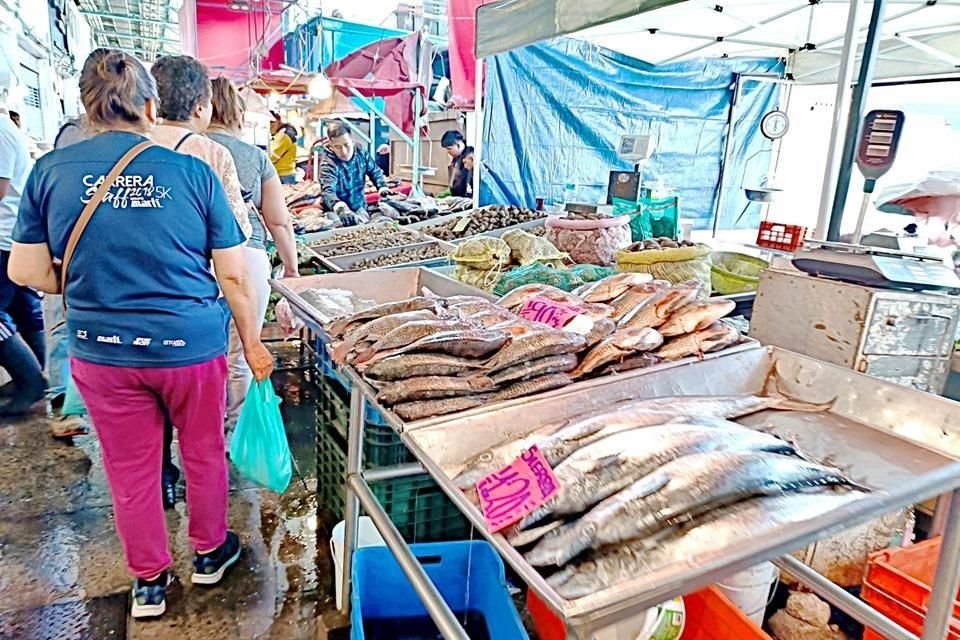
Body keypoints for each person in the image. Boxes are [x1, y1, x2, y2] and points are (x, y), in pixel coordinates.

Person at [8, 50, 273, 619]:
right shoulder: (194, 173)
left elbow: (25, 270)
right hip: (190, 347)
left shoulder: (50, 172)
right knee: (203, 451)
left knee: (130, 467)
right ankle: (210, 553)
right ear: (151, 107)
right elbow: (232, 273)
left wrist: (83, 281)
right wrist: (252, 343)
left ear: (86, 107)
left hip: (103, 352)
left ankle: (149, 582)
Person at [150, 54, 253, 509]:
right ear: (200, 106)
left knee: (148, 407)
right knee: (198, 415)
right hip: (194, 304)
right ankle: (208, 525)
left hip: (128, 310)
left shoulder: (126, 147)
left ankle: (162, 478)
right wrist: (252, 338)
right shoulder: (211, 154)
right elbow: (236, 235)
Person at [207, 77, 299, 435]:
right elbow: (278, 221)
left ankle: (204, 428)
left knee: (203, 353)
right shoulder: (253, 156)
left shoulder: (183, 148)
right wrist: (291, 269)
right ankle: (234, 432)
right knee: (243, 350)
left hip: (195, 259)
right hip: (248, 255)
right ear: (237, 112)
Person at [0, 106, 46, 416]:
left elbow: (0, 188)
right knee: (23, 309)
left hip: (3, 237)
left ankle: (30, 381)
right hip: (13, 235)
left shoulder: (1, 131)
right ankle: (32, 379)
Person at [319, 122, 390, 226]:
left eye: (346, 145)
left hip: (360, 207)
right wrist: (339, 208)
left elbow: (374, 171)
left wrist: (382, 187)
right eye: (337, 147)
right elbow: (328, 191)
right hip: (337, 214)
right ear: (331, 145)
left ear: (352, 141)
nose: (343, 151)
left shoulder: (360, 152)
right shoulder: (328, 164)